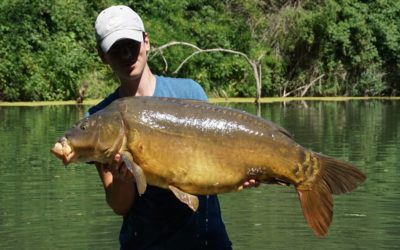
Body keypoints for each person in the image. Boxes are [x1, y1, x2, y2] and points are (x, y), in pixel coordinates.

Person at [89, 5, 258, 250]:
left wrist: (242, 171)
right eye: (116, 49)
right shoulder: (100, 119)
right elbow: (119, 206)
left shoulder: (189, 92)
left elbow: (214, 161)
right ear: (103, 56)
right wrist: (123, 178)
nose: (127, 55)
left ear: (146, 42)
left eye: (132, 45)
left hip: (207, 242)